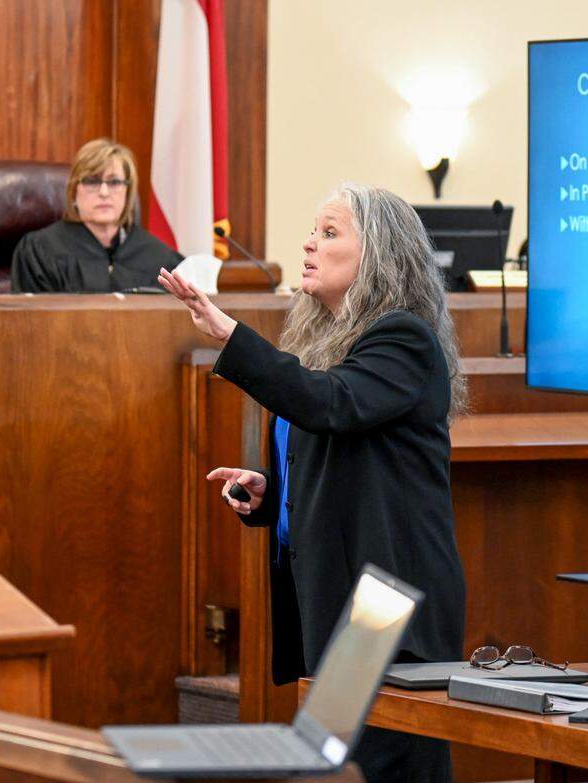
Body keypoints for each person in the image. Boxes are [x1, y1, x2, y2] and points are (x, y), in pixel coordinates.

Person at [158, 183, 467, 783]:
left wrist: (230, 336)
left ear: (379, 257)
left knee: (385, 766)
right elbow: (335, 449)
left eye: (330, 233)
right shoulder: (335, 343)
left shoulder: (403, 338)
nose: (308, 243)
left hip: (386, 606)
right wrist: (270, 497)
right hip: (343, 601)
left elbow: (332, 405)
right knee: (341, 766)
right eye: (312, 230)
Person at [11, 138, 181, 293]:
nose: (104, 192)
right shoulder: (39, 250)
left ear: (127, 192)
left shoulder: (161, 258)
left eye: (114, 182)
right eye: (92, 181)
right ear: (74, 191)